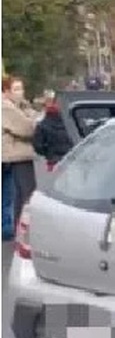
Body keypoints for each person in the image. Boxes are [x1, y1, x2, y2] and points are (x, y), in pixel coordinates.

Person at [2, 76, 40, 235]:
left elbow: (37, 117)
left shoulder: (20, 106)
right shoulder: (6, 107)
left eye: (22, 88)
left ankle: (15, 228)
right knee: (23, 195)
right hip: (14, 156)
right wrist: (32, 120)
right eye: (16, 89)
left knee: (14, 195)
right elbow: (27, 129)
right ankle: (17, 230)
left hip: (17, 155)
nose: (20, 93)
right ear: (6, 92)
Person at [32, 96, 73, 169]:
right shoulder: (70, 122)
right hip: (72, 158)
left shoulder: (42, 125)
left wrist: (47, 152)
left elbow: (37, 145)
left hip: (53, 159)